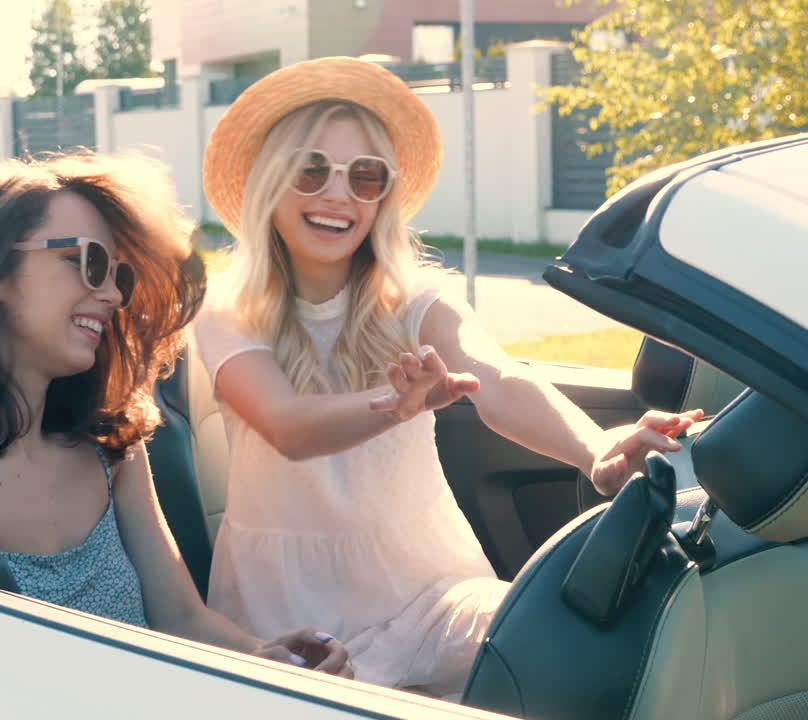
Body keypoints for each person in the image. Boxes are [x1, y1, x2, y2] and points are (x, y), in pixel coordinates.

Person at [194, 57, 703, 697]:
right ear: (270, 182)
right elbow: (287, 427)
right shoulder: (228, 309)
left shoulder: (416, 299)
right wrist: (393, 404)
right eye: (311, 169)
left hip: (432, 596)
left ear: (385, 196)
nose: (337, 195)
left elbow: (498, 377)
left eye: (366, 176)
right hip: (289, 614)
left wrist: (595, 448)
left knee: (547, 650)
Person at [0, 151, 350, 677]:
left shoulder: (109, 445)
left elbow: (181, 619)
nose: (112, 294)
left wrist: (271, 660)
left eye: (119, 274)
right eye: (89, 262)